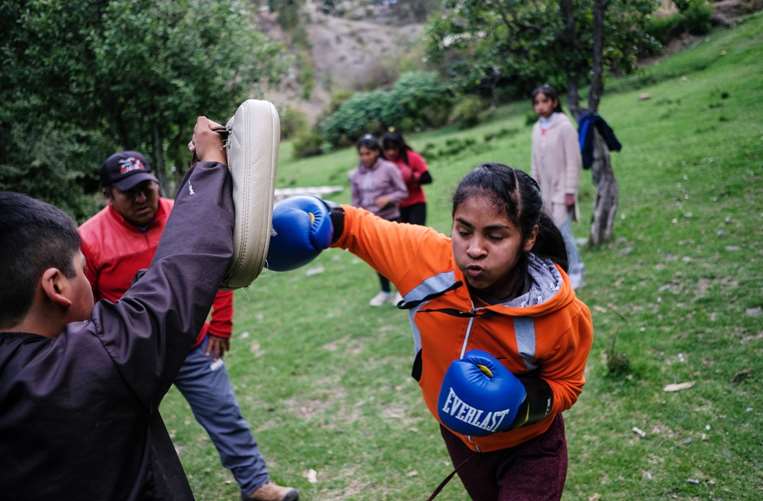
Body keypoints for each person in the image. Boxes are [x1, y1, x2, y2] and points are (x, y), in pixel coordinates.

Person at [267, 163, 594, 500]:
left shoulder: (562, 314)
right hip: (461, 443)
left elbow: (567, 383)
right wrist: (310, 223)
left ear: (528, 238)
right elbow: (353, 227)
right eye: (463, 231)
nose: (475, 249)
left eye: (495, 236)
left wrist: (520, 404)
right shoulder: (425, 259)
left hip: (530, 449)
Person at [0, 117, 234, 500]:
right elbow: (182, 271)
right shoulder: (95, 360)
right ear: (56, 286)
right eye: (80, 269)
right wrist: (209, 163)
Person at [78, 150, 297, 501]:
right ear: (108, 195)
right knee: (125, 432)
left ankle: (256, 485)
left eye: (145, 188)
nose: (140, 198)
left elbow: (216, 265)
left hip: (191, 343)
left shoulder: (186, 215)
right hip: (129, 356)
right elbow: (83, 304)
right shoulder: (89, 239)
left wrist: (221, 324)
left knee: (224, 412)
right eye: (128, 192)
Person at [530, 84, 585, 289]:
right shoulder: (537, 129)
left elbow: (574, 160)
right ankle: (559, 272)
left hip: (562, 190)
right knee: (549, 233)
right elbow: (535, 161)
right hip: (544, 191)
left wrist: (570, 190)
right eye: (537, 102)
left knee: (564, 233)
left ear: (554, 102)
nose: (541, 106)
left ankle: (577, 269)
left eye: (545, 101)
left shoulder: (564, 126)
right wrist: (532, 186)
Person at [349, 133, 408, 306]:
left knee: (394, 256)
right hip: (368, 223)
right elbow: (355, 200)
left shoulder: (388, 168)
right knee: (376, 258)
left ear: (376, 152)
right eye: (362, 154)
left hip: (390, 219)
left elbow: (402, 191)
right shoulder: (355, 175)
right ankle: (385, 291)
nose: (365, 157)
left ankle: (402, 290)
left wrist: (388, 199)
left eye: (368, 153)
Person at [381, 129, 432, 227]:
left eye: (394, 148)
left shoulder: (412, 157)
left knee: (417, 237)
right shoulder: (382, 162)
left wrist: (413, 177)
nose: (391, 152)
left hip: (416, 204)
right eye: (387, 149)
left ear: (400, 147)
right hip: (394, 209)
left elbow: (427, 178)